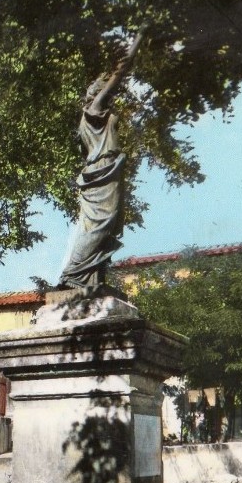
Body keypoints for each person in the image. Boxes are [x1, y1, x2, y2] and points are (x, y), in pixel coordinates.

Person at [58, 28, 146, 290]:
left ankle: (90, 277)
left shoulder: (97, 115)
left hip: (106, 171)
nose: (111, 95)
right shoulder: (93, 110)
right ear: (95, 94)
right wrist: (138, 41)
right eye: (103, 90)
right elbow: (119, 74)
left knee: (103, 227)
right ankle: (74, 273)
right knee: (98, 226)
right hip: (102, 172)